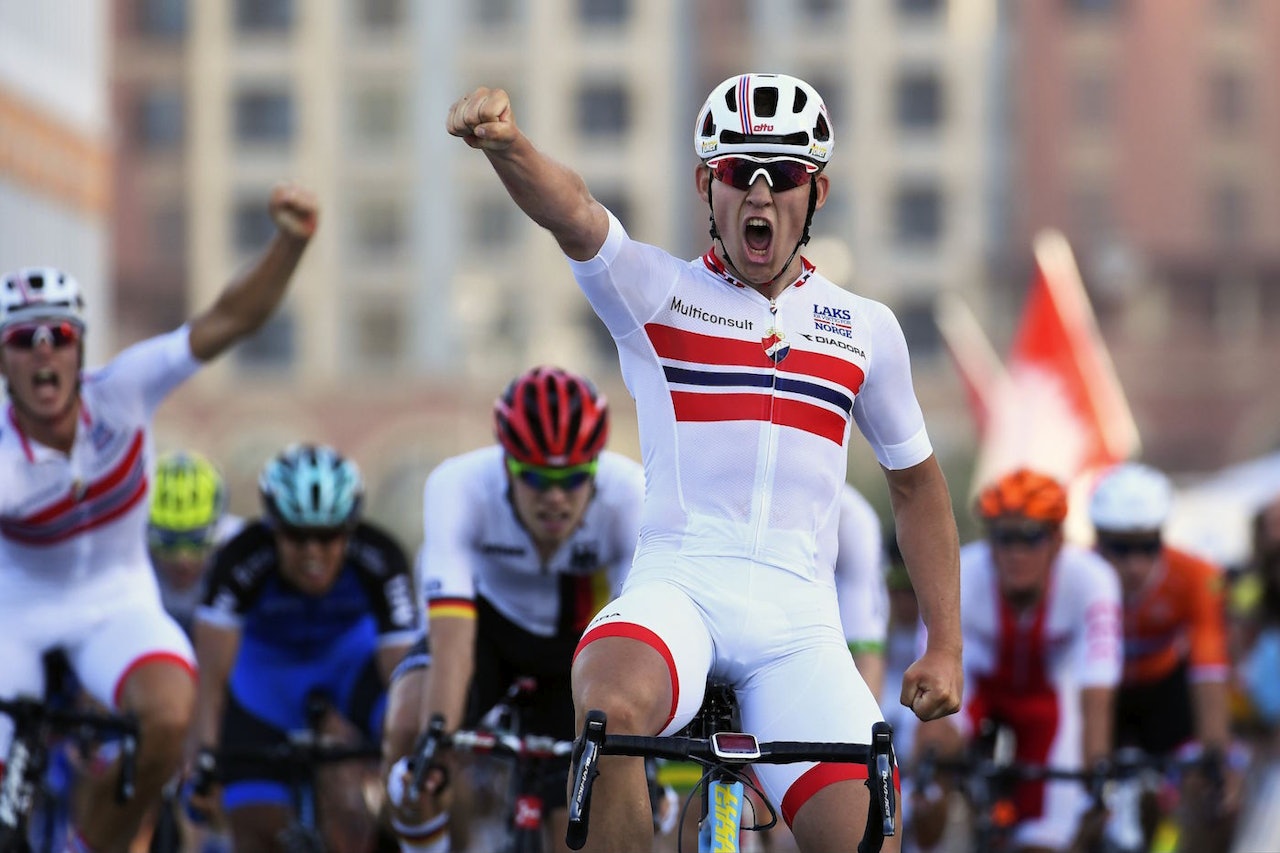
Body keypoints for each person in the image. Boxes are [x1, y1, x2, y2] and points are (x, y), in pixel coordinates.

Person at [447, 72, 963, 853]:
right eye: (736, 174)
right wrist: (509, 146)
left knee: (870, 839)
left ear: (816, 192)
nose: (760, 195)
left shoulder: (866, 329)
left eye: (783, 176)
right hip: (679, 593)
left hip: (800, 629)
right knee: (608, 710)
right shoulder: (657, 294)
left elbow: (917, 485)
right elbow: (577, 214)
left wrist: (945, 643)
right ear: (705, 185)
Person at [0, 184, 317, 853]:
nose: (42, 353)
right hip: (16, 617)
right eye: (23, 340)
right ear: (5, 358)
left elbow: (230, 319)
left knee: (170, 716)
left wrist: (289, 245)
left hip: (115, 602)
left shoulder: (124, 389)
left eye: (58, 335)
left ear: (80, 347)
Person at [383, 366, 646, 853]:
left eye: (571, 479)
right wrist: (436, 738)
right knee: (408, 729)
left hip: (581, 644)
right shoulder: (458, 485)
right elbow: (452, 638)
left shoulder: (630, 493)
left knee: (571, 822)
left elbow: (636, 637)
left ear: (595, 467)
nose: (554, 498)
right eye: (535, 477)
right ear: (506, 464)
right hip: (486, 633)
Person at [190, 443, 419, 853]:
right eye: (297, 537)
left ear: (349, 530)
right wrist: (205, 758)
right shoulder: (240, 559)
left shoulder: (380, 556)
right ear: (274, 529)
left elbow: (402, 674)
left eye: (328, 537)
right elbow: (211, 678)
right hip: (268, 681)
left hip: (350, 665)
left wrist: (402, 753)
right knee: (258, 828)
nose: (313, 552)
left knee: (412, 765)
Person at [912, 468, 1122, 853]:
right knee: (933, 748)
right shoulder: (962, 572)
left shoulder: (1092, 579)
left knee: (1050, 837)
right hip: (977, 687)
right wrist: (929, 768)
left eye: (1030, 537)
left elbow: (1096, 695)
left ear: (1057, 541)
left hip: (1050, 700)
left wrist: (1096, 779)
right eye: (1003, 537)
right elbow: (931, 681)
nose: (1015, 552)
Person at [1088, 461, 1236, 850]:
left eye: (1147, 547)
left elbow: (1209, 670)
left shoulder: (1197, 574)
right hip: (1102, 691)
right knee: (1084, 792)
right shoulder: (1078, 573)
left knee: (1207, 788)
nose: (1134, 564)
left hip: (1164, 692)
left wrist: (1215, 754)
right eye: (1118, 548)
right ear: (1097, 539)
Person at [148, 450, 245, 637]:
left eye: (197, 540)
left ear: (220, 530)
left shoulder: (239, 547)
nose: (182, 559)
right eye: (168, 541)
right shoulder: (123, 553)